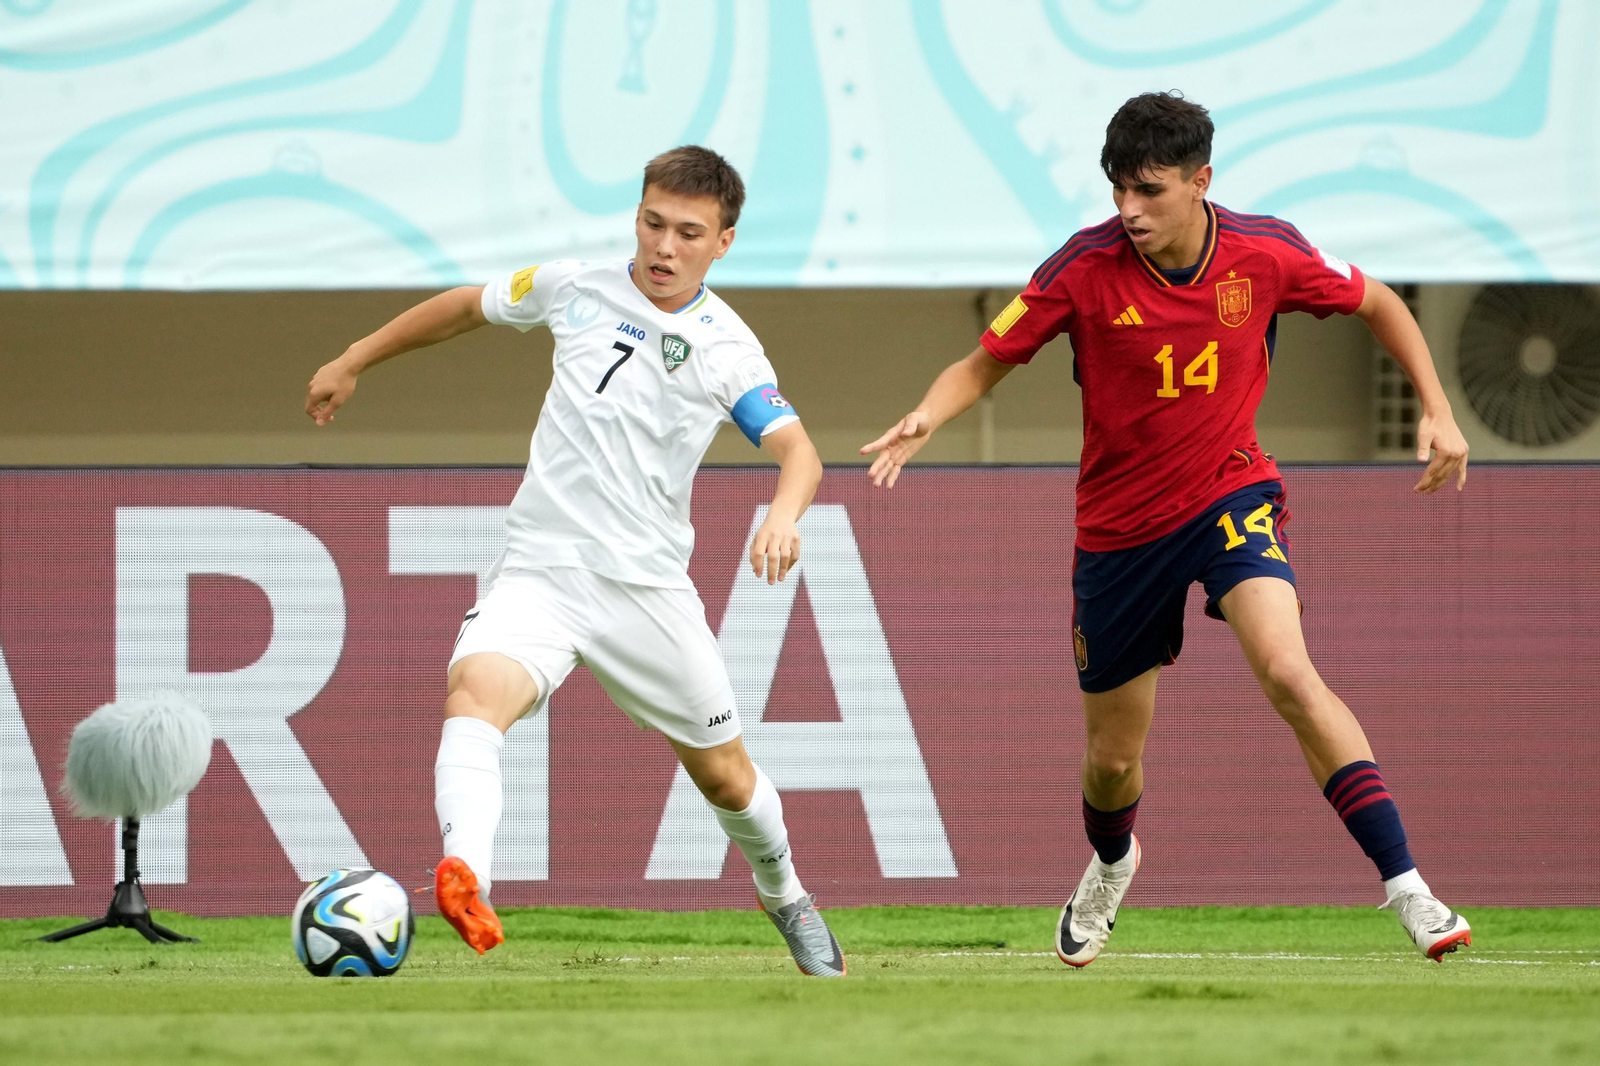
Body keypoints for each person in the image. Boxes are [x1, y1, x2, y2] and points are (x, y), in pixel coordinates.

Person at [861, 92, 1472, 966]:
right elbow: (985, 359)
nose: (1129, 211)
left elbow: (1379, 302)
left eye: (1148, 191)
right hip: (1119, 532)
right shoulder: (1082, 266)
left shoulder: (1267, 252)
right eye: (1118, 190)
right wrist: (927, 416)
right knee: (1112, 762)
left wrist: (1439, 407)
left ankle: (1408, 887)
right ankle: (1112, 861)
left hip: (1231, 495)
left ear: (1201, 180)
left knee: (1292, 675)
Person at [305, 145, 845, 977]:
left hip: (646, 592)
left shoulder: (726, 347)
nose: (664, 247)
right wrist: (352, 358)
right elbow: (462, 308)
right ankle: (468, 877)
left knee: (729, 783)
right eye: (653, 223)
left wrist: (782, 514)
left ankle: (788, 897)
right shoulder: (574, 285)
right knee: (474, 697)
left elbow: (799, 451)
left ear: (723, 243)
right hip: (542, 568)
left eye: (688, 234)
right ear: (636, 215)